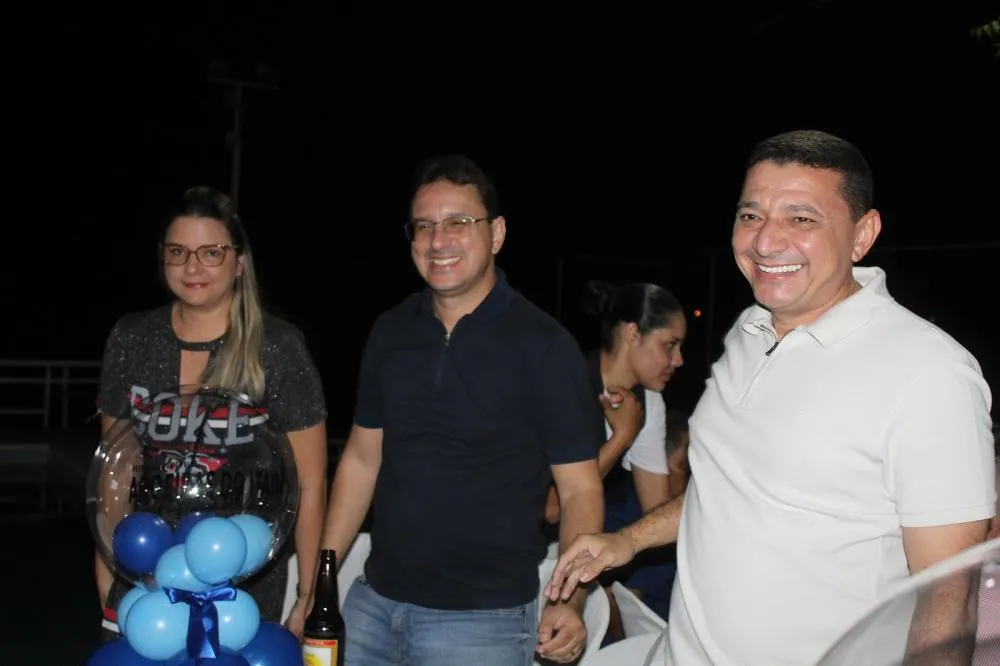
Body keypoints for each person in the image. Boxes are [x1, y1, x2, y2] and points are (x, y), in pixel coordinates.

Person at [546, 130, 996, 665]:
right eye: (750, 215)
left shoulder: (928, 372)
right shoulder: (749, 329)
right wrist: (628, 541)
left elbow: (948, 594)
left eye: (801, 218)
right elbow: (723, 487)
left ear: (862, 234)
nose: (764, 241)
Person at [320, 155, 605, 666]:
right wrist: (315, 587)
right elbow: (361, 462)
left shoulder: (544, 346)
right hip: (372, 607)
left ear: (496, 234)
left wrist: (570, 599)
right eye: (424, 226)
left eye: (458, 222)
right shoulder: (391, 331)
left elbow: (580, 490)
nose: (438, 240)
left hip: (484, 625)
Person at [96, 186, 328, 639]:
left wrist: (307, 594)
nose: (192, 267)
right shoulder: (132, 338)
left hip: (241, 586)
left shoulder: (276, 348)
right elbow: (113, 475)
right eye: (178, 251)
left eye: (211, 252)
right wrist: (108, 578)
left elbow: (310, 484)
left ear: (239, 262)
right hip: (143, 581)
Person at [544, 281, 686, 622]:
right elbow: (551, 508)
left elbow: (657, 510)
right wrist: (622, 438)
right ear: (632, 333)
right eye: (670, 345)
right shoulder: (568, 382)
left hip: (580, 561)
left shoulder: (649, 402)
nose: (679, 360)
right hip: (532, 559)